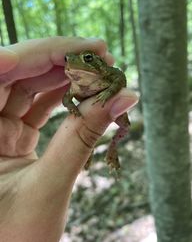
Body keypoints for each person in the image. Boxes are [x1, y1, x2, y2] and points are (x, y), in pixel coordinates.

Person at [0, 37, 138, 242]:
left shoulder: (106, 74)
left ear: (97, 63)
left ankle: (112, 150)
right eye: (67, 60)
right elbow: (66, 99)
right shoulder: (74, 85)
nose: (72, 63)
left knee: (125, 126)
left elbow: (118, 75)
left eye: (87, 58)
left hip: (104, 96)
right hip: (90, 103)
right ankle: (93, 153)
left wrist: (109, 91)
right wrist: (72, 109)